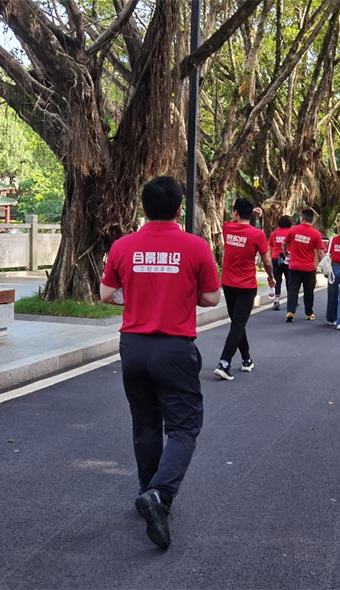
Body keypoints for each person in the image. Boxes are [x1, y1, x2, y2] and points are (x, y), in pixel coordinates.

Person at [100, 176, 221, 550]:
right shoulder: (195, 247)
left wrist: (137, 294)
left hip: (133, 347)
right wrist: (182, 293)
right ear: (180, 209)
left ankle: (147, 489)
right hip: (174, 349)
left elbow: (106, 293)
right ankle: (160, 493)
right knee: (184, 427)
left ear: (143, 207)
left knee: (146, 422)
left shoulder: (123, 246)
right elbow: (212, 298)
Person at [213, 198, 274, 380]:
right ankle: (224, 363)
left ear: (235, 212)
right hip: (246, 286)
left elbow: (232, 221)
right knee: (238, 324)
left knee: (237, 323)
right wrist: (271, 276)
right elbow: (267, 261)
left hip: (228, 284)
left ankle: (246, 359)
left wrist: (244, 213)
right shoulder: (257, 234)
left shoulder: (227, 228)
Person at [282, 209, 325, 322]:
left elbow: (284, 243)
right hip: (309, 268)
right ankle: (309, 313)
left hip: (294, 266)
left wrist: (285, 253)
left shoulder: (293, 230)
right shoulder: (316, 234)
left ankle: (290, 312)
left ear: (302, 218)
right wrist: (325, 266)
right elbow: (320, 252)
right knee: (309, 291)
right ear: (312, 219)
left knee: (293, 290)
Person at [268, 215, 292, 311]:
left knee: (277, 279)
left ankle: (276, 300)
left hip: (275, 258)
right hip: (288, 258)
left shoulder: (274, 233)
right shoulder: (291, 233)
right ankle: (291, 300)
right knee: (289, 279)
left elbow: (270, 247)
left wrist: (269, 259)